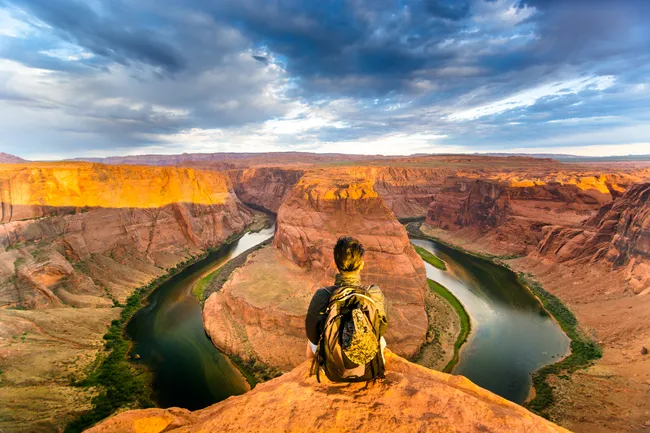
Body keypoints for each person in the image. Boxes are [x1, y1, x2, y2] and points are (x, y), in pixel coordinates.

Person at [305, 236, 388, 382]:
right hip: (369, 370)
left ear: (335, 264)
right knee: (381, 339)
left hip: (332, 372)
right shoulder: (373, 292)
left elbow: (312, 334)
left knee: (310, 341)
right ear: (361, 264)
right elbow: (381, 328)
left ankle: (310, 375)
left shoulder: (323, 294)